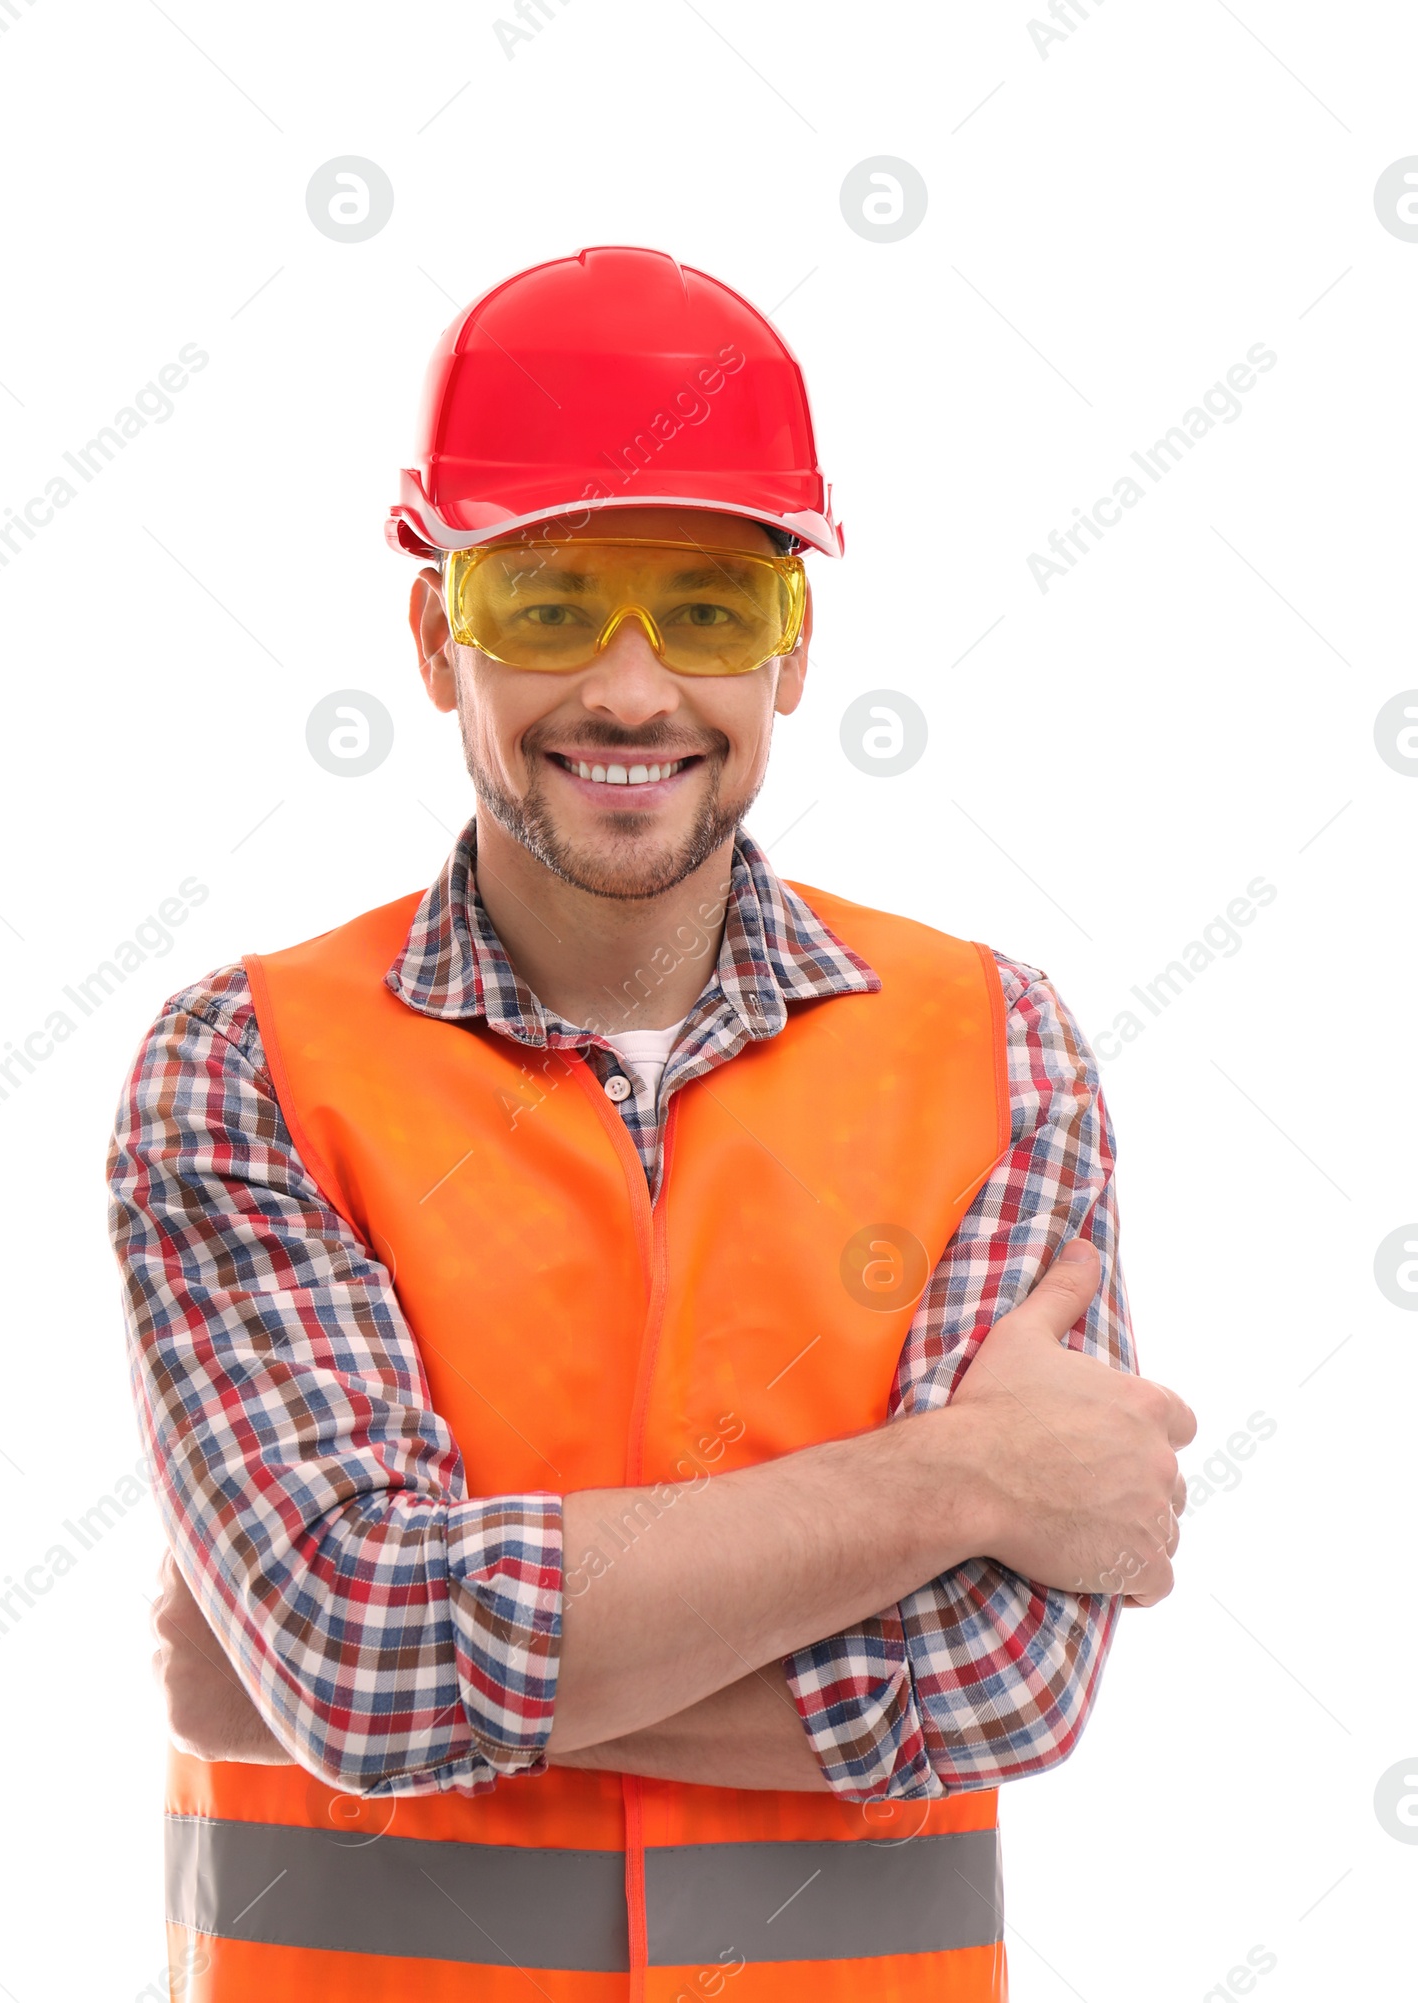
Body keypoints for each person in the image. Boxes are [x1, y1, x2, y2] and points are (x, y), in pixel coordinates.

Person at [110, 245, 1195, 2003]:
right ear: (432, 633)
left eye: (704, 607)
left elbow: (1010, 1681)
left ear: (790, 648)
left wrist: (377, 1682)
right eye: (547, 604)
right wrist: (961, 1479)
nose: (629, 692)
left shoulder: (997, 1048)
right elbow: (356, 1652)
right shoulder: (247, 1066)